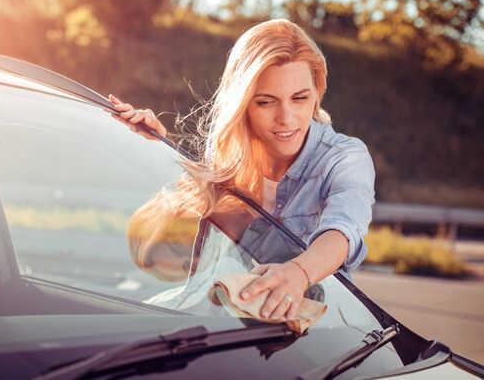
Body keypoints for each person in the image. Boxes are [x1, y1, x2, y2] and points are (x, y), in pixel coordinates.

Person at [107, 18, 375, 322]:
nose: (286, 118)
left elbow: (343, 229)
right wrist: (154, 148)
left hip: (307, 345)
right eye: (265, 102)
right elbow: (149, 250)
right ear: (243, 103)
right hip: (216, 330)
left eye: (299, 98)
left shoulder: (344, 158)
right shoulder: (227, 161)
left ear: (317, 92)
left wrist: (299, 272)